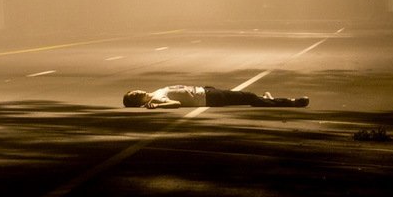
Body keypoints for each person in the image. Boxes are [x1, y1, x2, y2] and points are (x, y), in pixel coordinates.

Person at [123, 85, 308, 109]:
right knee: (250, 97)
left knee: (247, 97)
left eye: (133, 91)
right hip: (208, 98)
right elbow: (176, 103)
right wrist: (158, 106)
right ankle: (292, 102)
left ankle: (268, 96)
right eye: (134, 97)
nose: (137, 93)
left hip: (205, 90)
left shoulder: (155, 92)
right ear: (136, 103)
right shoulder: (154, 100)